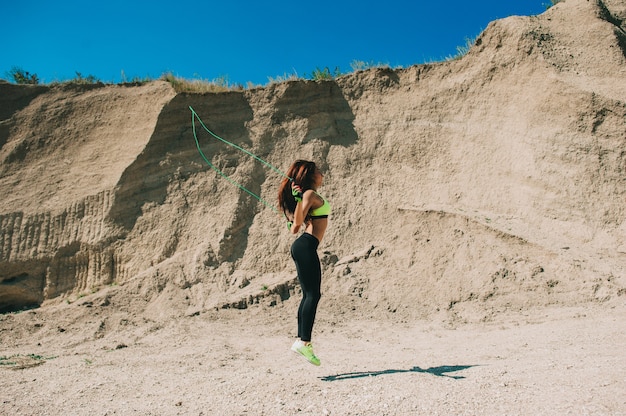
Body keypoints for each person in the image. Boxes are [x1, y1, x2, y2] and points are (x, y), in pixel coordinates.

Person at [278, 160, 331, 366]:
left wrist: (299, 203)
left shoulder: (308, 196)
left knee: (309, 294)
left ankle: (302, 341)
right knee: (313, 294)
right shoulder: (309, 195)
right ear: (310, 175)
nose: (321, 173)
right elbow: (298, 224)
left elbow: (294, 229)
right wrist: (300, 200)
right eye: (318, 170)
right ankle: (304, 342)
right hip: (306, 246)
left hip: (303, 245)